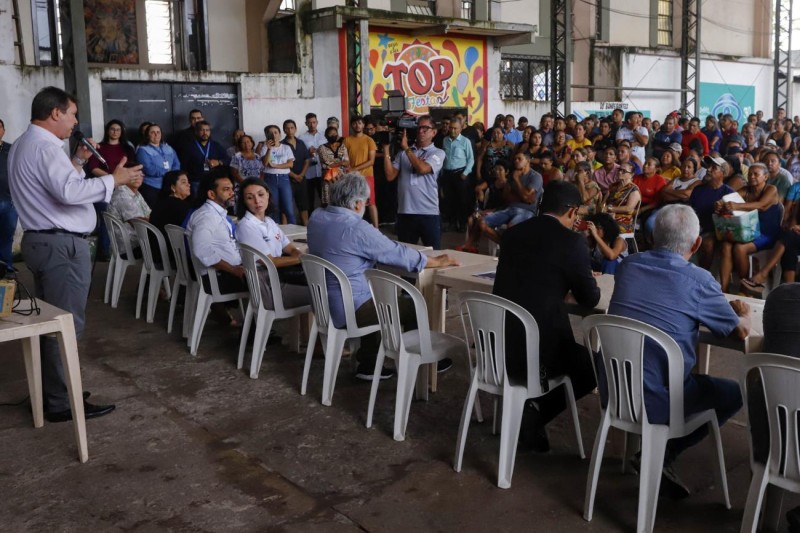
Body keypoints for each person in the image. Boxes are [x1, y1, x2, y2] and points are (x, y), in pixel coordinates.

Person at [8, 86, 143, 422]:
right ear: (56, 112)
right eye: (72, 115)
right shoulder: (44, 147)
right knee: (63, 325)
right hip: (61, 245)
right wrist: (115, 179)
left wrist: (80, 162)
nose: (74, 123)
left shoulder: (27, 144)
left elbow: (59, 185)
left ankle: (57, 389)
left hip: (45, 242)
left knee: (51, 322)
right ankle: (59, 402)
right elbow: (69, 193)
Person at [608, 204, 751, 498]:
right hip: (659, 400)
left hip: (615, 390)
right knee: (734, 393)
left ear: (651, 237)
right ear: (697, 244)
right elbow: (739, 332)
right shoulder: (700, 281)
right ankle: (665, 451)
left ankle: (655, 450)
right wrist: (742, 312)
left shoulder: (628, 266)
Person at [307, 173, 459, 379]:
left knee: (370, 293)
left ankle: (368, 363)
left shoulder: (317, 217)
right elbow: (396, 253)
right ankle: (425, 360)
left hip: (323, 305)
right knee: (416, 305)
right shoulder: (356, 228)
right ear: (357, 204)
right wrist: (436, 261)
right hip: (350, 310)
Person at [493, 180, 600, 452]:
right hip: (539, 349)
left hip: (498, 342)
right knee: (596, 367)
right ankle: (537, 412)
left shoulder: (513, 234)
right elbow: (590, 299)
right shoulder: (572, 242)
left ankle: (531, 410)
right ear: (573, 212)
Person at [235, 178, 309, 310]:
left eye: (261, 194)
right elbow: (270, 261)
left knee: (315, 282)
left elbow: (289, 248)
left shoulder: (269, 221)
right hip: (267, 285)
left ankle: (302, 332)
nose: (257, 201)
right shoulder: (246, 226)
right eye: (250, 198)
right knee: (321, 293)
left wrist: (297, 255)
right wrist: (301, 259)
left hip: (278, 276)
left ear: (268, 195)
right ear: (244, 202)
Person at [382, 115, 447, 249]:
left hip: (428, 213)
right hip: (405, 211)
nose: (421, 131)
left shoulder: (438, 153)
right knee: (407, 255)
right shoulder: (402, 154)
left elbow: (422, 169)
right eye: (419, 127)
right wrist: (386, 149)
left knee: (434, 253)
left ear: (434, 132)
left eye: (425, 128)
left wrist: (406, 148)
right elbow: (390, 176)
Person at [717, 163, 782, 293]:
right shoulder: (746, 190)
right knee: (725, 245)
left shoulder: (771, 189)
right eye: (750, 174)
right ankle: (724, 289)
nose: (752, 176)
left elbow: (762, 205)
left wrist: (736, 206)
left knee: (740, 248)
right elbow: (728, 199)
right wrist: (719, 204)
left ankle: (745, 288)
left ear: (765, 177)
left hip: (767, 234)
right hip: (747, 231)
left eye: (756, 174)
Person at [186, 168, 248, 298]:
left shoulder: (216, 213)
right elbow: (202, 250)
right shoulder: (206, 217)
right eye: (226, 190)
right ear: (211, 194)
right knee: (271, 279)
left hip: (227, 272)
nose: (232, 193)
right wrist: (234, 270)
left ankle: (258, 316)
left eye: (232, 189)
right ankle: (260, 317)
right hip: (217, 278)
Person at [690, 155, 735, 270]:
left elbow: (732, 219)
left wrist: (722, 210)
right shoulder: (698, 189)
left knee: (707, 243)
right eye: (709, 166)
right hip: (695, 226)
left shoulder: (729, 193)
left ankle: (702, 274)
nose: (708, 169)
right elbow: (691, 210)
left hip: (715, 230)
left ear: (723, 173)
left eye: (714, 168)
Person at [344, 115, 379, 228]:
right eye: (354, 123)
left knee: (371, 203)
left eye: (359, 123)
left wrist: (354, 169)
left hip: (367, 176)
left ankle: (376, 229)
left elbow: (371, 161)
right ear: (351, 125)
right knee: (353, 203)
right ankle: (354, 227)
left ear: (363, 125)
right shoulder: (347, 140)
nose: (357, 125)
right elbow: (345, 159)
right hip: (352, 177)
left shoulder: (369, 140)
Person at [441, 117, 475, 232]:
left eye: (455, 128)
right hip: (447, 174)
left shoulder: (465, 141)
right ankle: (451, 222)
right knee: (449, 200)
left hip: (460, 174)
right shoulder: (445, 140)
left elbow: (471, 159)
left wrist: (465, 173)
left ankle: (462, 223)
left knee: (462, 200)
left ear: (460, 129)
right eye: (451, 128)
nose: (453, 130)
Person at [136, 123, 181, 207]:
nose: (156, 134)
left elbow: (176, 163)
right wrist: (168, 173)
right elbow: (149, 169)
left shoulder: (168, 148)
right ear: (147, 135)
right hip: (151, 187)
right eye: (152, 132)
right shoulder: (142, 150)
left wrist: (173, 174)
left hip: (168, 186)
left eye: (158, 132)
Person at [107, 168, 151, 254]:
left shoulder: (136, 194)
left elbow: (148, 214)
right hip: (129, 246)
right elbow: (138, 222)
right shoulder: (122, 195)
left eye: (140, 175)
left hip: (137, 241)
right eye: (135, 175)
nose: (138, 178)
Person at [260, 124, 296, 225]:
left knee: (288, 209)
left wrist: (275, 166)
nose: (274, 135)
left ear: (280, 134)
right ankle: (275, 232)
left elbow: (290, 164)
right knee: (273, 208)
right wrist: (269, 149)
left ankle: (295, 230)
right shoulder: (264, 148)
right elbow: (265, 163)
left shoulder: (286, 148)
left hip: (283, 179)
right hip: (270, 179)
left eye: (275, 132)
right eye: (270, 133)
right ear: (267, 135)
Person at [181, 120, 229, 193]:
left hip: (213, 181)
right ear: (196, 132)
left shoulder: (216, 146)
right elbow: (183, 166)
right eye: (202, 130)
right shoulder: (189, 147)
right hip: (196, 182)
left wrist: (219, 162)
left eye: (207, 130)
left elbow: (228, 160)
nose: (205, 133)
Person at [281, 120, 311, 225]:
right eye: (287, 128)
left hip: (301, 179)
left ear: (295, 129)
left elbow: (307, 160)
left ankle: (305, 226)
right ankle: (284, 229)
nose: (290, 130)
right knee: (286, 205)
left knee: (303, 205)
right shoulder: (281, 145)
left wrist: (301, 175)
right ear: (284, 130)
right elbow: (281, 164)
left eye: (292, 127)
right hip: (287, 179)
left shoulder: (301, 143)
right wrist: (294, 176)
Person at [298, 113, 327, 212]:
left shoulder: (324, 135)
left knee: (324, 198)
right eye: (309, 123)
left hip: (323, 172)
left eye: (314, 122)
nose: (312, 125)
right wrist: (308, 152)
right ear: (306, 123)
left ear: (317, 122)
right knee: (309, 199)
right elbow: (300, 154)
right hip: (309, 173)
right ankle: (310, 221)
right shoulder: (301, 138)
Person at [602, 162, 641, 234]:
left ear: (631, 174)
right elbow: (604, 202)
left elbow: (628, 208)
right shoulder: (613, 186)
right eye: (619, 169)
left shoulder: (633, 189)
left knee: (601, 228)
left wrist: (611, 209)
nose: (620, 172)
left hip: (623, 221)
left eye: (624, 171)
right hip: (608, 216)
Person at [318, 126, 349, 207]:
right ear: (326, 136)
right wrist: (341, 162)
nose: (333, 136)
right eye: (330, 134)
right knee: (328, 203)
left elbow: (347, 162)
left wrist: (336, 163)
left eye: (335, 134)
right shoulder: (321, 148)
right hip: (328, 179)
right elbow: (328, 164)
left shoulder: (342, 146)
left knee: (341, 201)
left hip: (341, 178)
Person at [0, 119, 16, 273]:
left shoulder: (11, 149)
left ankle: (7, 268)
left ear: (4, 130)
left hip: (9, 200)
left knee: (7, 236)